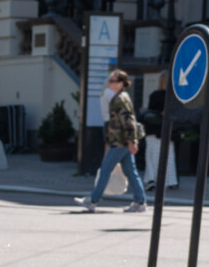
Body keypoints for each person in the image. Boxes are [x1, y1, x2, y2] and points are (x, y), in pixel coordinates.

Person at [76, 70, 146, 214]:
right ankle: (140, 202)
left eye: (112, 81)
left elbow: (128, 121)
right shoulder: (121, 96)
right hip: (122, 141)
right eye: (110, 80)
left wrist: (132, 141)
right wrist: (131, 141)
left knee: (106, 169)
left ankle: (92, 200)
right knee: (131, 172)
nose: (109, 83)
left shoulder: (120, 99)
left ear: (120, 84)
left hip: (120, 142)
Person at [142, 73, 178, 192]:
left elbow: (150, 111)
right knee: (168, 158)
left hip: (152, 130)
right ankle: (170, 181)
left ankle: (151, 179)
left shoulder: (154, 95)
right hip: (167, 131)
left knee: (150, 157)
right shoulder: (173, 96)